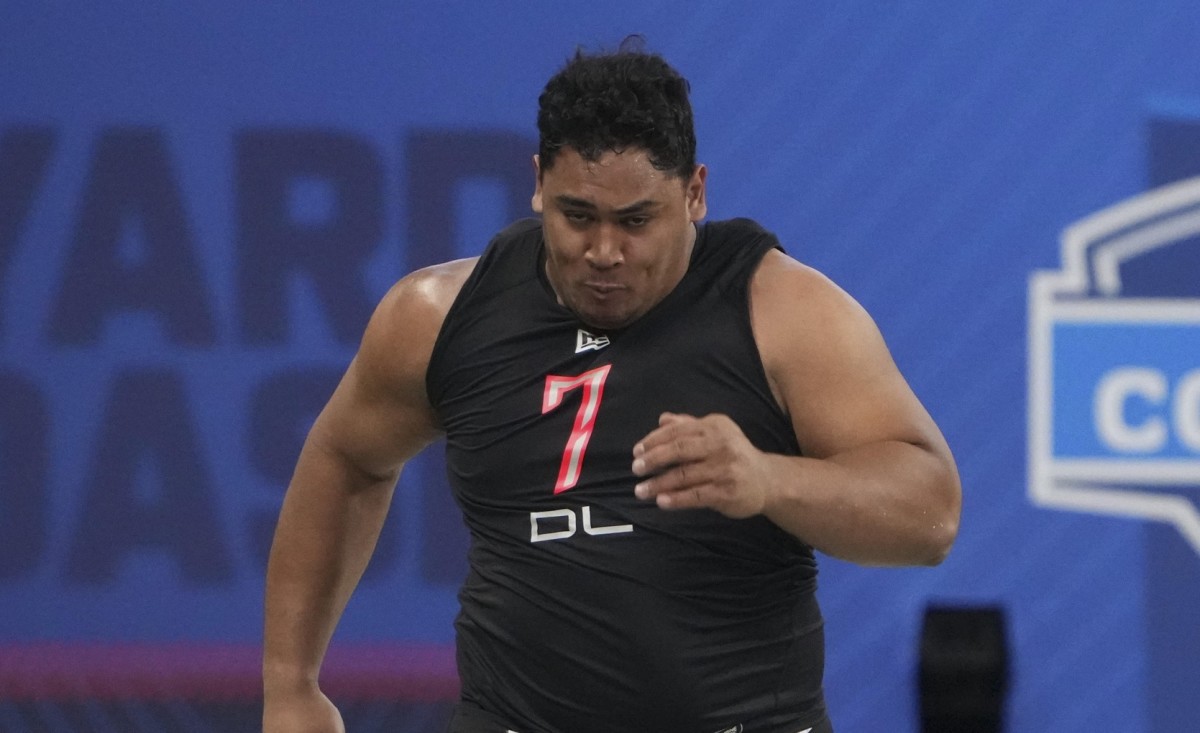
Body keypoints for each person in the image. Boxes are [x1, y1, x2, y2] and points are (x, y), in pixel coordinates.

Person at [262, 39, 961, 733]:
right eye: (576, 215)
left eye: (636, 221)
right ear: (537, 183)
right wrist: (292, 686)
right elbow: (346, 459)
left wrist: (771, 480)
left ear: (694, 193)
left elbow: (930, 514)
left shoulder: (784, 314)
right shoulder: (437, 317)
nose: (603, 251)